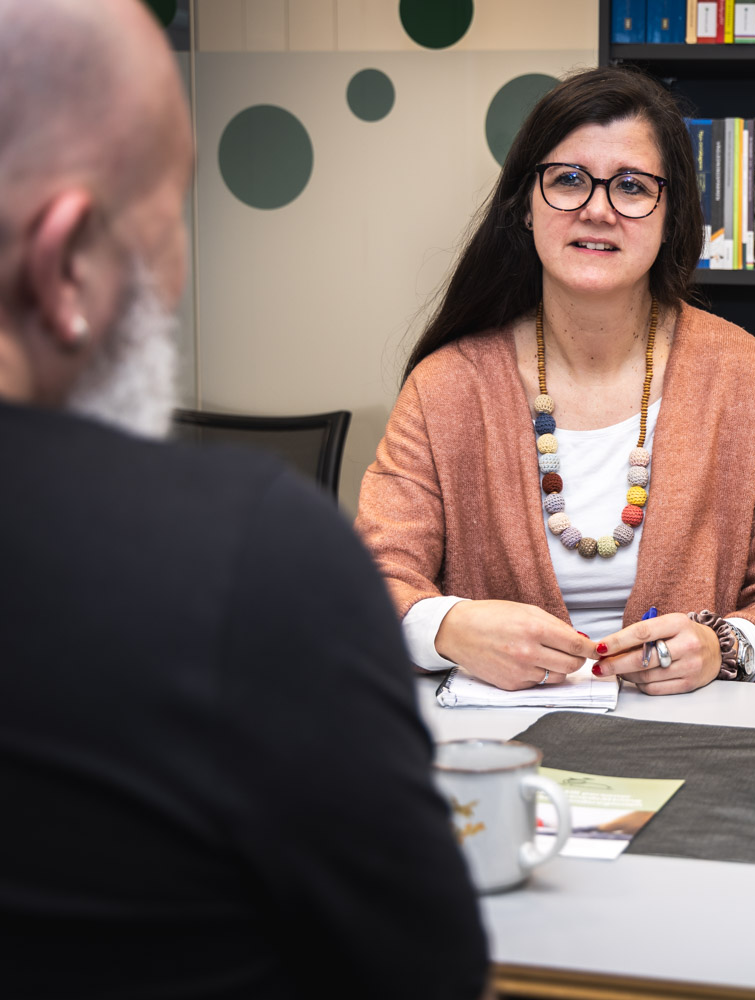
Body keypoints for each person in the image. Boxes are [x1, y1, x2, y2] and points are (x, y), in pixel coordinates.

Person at [0, 2, 488, 996]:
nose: (175, 282)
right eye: (163, 222)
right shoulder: (249, 558)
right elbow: (429, 970)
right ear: (63, 266)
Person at [356, 67, 755, 694]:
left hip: (697, 740)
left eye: (632, 187)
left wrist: (723, 646)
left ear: (671, 215)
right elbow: (370, 584)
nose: (597, 210)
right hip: (503, 744)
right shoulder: (445, 387)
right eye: (569, 180)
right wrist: (452, 628)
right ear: (526, 206)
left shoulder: (748, 378)